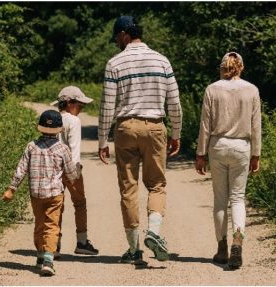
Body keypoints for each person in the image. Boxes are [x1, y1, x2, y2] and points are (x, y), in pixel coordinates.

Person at [98, 15, 182, 264]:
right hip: (155, 126)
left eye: (116, 38)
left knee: (129, 188)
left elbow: (107, 106)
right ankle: (154, 233)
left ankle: (134, 249)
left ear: (124, 34)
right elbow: (174, 102)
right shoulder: (162, 60)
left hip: (125, 128)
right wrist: (176, 133)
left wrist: (103, 139)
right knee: (156, 185)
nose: (116, 42)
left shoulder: (115, 63)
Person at [195, 51, 261, 269]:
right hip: (242, 146)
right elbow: (255, 126)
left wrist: (200, 154)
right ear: (240, 67)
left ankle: (222, 248)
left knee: (220, 199)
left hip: (218, 145)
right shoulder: (251, 90)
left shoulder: (212, 89)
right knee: (238, 198)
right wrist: (256, 154)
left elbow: (205, 125)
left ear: (222, 67)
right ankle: (238, 241)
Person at [3, 110, 79, 276]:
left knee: (39, 223)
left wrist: (11, 189)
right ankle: (48, 260)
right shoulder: (63, 148)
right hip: (55, 194)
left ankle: (40, 254)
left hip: (36, 194)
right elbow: (71, 174)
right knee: (52, 225)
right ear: (60, 129)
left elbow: (21, 169)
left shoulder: (31, 146)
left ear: (40, 128)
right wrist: (75, 176)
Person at [50, 86, 99, 257]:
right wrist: (75, 172)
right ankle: (82, 242)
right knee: (79, 203)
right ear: (70, 103)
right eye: (80, 105)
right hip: (70, 169)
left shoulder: (54, 119)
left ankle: (54, 245)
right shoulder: (74, 121)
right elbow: (74, 149)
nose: (81, 108)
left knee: (57, 206)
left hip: (53, 169)